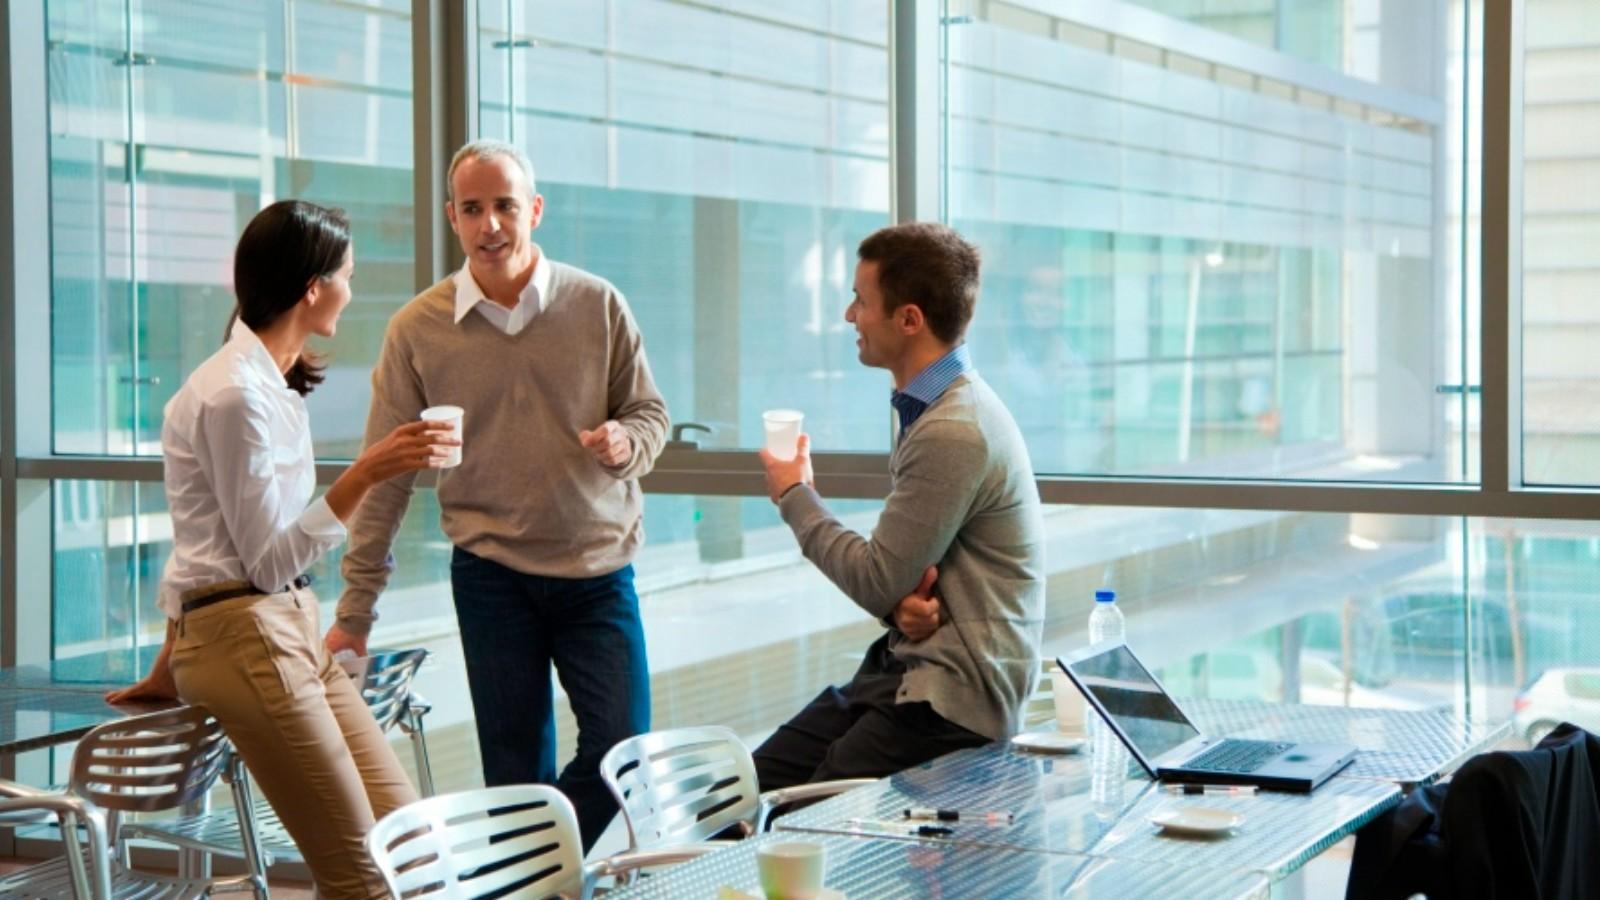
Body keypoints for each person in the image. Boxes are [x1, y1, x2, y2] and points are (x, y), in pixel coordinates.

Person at [323, 139, 669, 850]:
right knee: (514, 772)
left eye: (505, 206)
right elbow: (385, 476)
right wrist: (355, 611)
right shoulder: (416, 329)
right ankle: (529, 877)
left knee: (621, 750)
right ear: (452, 218)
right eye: (473, 209)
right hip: (491, 578)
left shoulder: (597, 303)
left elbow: (650, 415)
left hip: (598, 571)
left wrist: (626, 444)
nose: (491, 226)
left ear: (534, 210)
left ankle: (510, 866)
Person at [108, 200, 457, 899]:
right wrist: (368, 470)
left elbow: (206, 548)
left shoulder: (273, 388)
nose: (351, 292)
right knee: (362, 874)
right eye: (348, 276)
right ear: (312, 287)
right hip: (253, 634)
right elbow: (262, 566)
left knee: (413, 845)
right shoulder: (234, 396)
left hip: (283, 628)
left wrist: (170, 661)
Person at [754, 222, 1045, 789]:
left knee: (796, 816)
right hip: (905, 669)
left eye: (861, 301)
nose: (849, 316)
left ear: (909, 319)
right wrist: (898, 607)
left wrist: (794, 494)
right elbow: (900, 583)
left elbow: (878, 577)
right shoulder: (939, 411)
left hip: (952, 698)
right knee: (751, 785)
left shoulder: (955, 430)